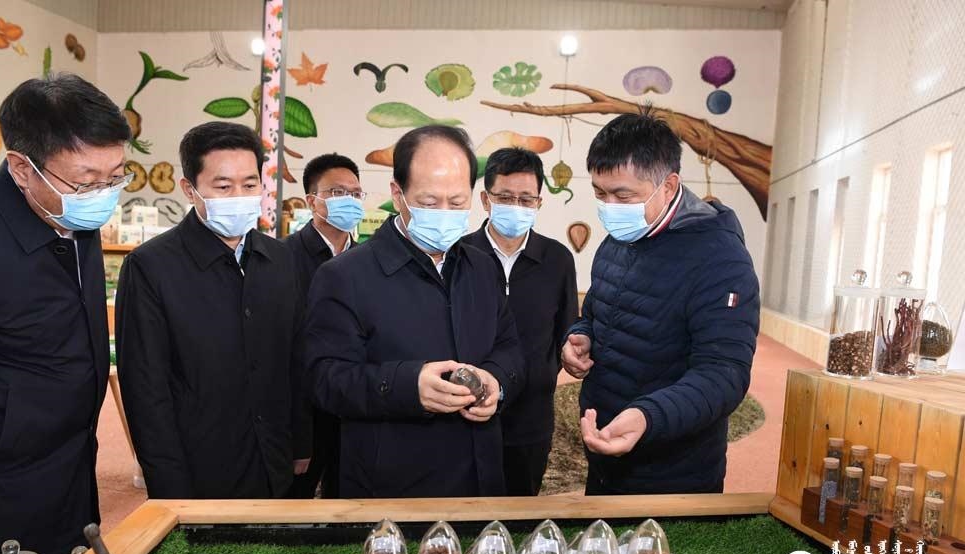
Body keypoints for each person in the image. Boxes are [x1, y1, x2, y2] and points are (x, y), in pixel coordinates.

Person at [0, 74, 130, 554]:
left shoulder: (68, 211)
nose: (102, 194)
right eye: (86, 181)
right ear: (21, 168)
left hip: (75, 463)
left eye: (116, 176)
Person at [304, 125, 525, 498]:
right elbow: (324, 379)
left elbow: (510, 347)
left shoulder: (482, 267)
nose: (445, 214)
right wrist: (408, 386)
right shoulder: (345, 275)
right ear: (398, 194)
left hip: (480, 479)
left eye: (457, 202)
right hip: (393, 488)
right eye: (429, 202)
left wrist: (496, 382)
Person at [563, 110, 759, 495]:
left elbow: (724, 374)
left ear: (668, 186)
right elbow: (597, 311)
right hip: (604, 449)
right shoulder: (618, 240)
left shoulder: (721, 260)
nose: (609, 206)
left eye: (623, 195)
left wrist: (648, 417)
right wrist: (580, 336)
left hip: (673, 469)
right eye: (600, 193)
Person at [115, 121, 308, 499]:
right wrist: (168, 486)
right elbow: (145, 389)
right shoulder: (150, 267)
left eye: (249, 185)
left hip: (276, 458)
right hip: (201, 467)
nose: (239, 196)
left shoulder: (281, 259)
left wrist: (302, 442)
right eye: (223, 186)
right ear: (190, 189)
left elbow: (297, 359)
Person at [461, 148, 577, 496]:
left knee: (521, 510)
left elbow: (566, 332)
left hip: (531, 418)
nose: (516, 206)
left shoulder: (557, 259)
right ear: (486, 199)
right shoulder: (460, 255)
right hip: (466, 413)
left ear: (539, 202)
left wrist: (542, 375)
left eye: (526, 199)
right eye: (505, 197)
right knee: (464, 509)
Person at [285, 153, 364, 498]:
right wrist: (297, 434)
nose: (349, 200)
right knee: (293, 504)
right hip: (304, 410)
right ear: (311, 201)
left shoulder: (368, 261)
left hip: (354, 406)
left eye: (355, 193)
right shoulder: (282, 258)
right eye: (337, 193)